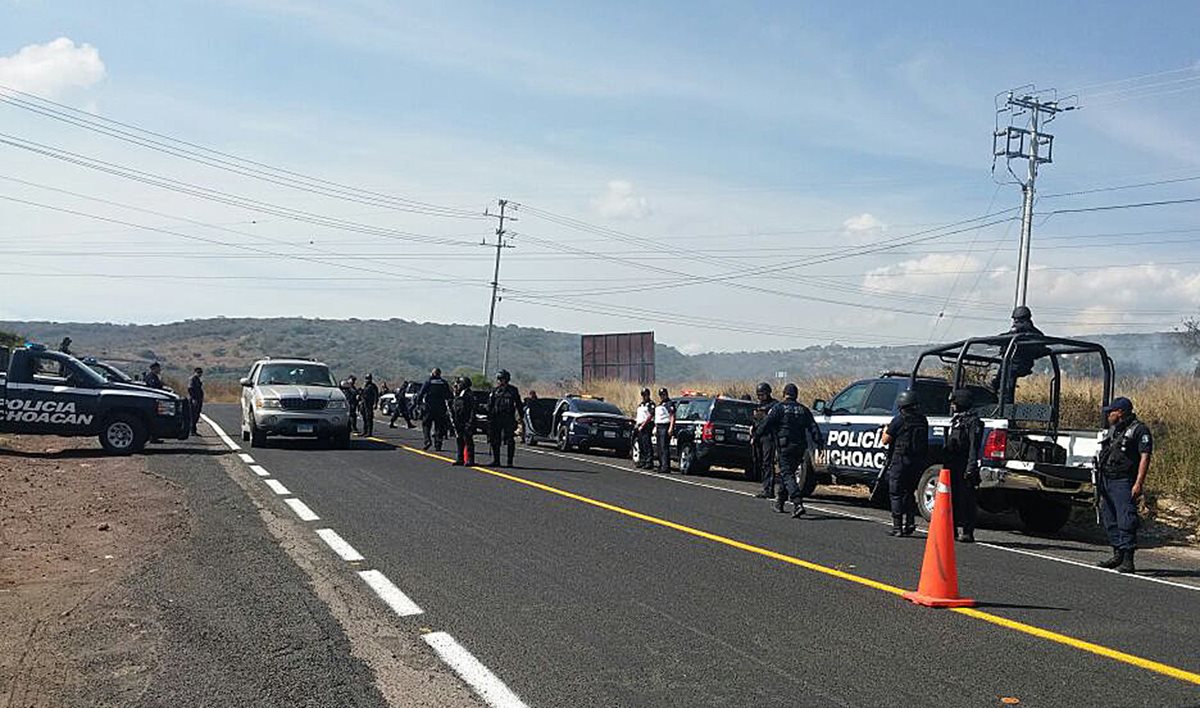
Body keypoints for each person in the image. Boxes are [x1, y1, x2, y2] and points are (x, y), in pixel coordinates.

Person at [1095, 397, 1152, 574]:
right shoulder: (1115, 430)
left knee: (1126, 519)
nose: (1108, 415)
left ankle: (1128, 560)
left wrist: (1138, 483)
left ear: (1120, 412)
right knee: (1109, 518)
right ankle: (1117, 554)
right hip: (1107, 479)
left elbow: (1145, 456)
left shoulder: (1139, 430)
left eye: (1111, 412)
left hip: (1124, 481)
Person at [754, 383, 816, 518]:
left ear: (784, 394)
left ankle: (797, 502)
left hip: (785, 447)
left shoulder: (779, 408)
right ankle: (780, 502)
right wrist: (819, 444)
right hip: (800, 448)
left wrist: (756, 435)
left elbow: (766, 423)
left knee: (787, 474)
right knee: (787, 473)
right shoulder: (803, 409)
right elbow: (813, 427)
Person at [880, 389, 929, 537]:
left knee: (896, 493)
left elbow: (885, 440)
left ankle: (897, 527)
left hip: (900, 460)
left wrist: (885, 430)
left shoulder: (899, 420)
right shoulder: (922, 420)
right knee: (909, 493)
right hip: (917, 461)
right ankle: (910, 523)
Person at [945, 388, 983, 543]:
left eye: (955, 402)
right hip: (953, 466)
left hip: (965, 466)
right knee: (951, 499)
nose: (953, 406)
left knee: (966, 500)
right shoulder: (957, 420)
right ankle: (951, 529)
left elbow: (974, 448)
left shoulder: (973, 422)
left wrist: (970, 468)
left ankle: (967, 532)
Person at [487, 369, 524, 467]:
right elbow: (490, 405)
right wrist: (489, 417)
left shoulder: (513, 390)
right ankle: (496, 460)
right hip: (496, 418)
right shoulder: (494, 391)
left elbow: (519, 404)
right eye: (498, 379)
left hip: (508, 418)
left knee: (510, 440)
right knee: (495, 440)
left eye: (501, 379)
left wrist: (521, 417)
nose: (499, 381)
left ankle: (509, 461)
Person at [750, 382, 778, 499]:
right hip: (758, 437)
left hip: (769, 437)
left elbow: (770, 422)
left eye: (762, 395)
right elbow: (755, 421)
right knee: (760, 462)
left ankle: (769, 489)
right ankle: (765, 487)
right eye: (759, 395)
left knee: (768, 463)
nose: (760, 397)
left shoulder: (774, 406)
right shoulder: (758, 406)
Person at [415, 368, 452, 451]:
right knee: (439, 426)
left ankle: (427, 441)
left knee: (426, 425)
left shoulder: (428, 382)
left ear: (432, 374)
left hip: (429, 407)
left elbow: (421, 394)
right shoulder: (444, 383)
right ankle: (438, 444)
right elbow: (449, 395)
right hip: (441, 407)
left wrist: (418, 404)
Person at [450, 377, 476, 466]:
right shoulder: (458, 394)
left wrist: (470, 422)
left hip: (466, 420)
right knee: (459, 440)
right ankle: (460, 459)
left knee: (468, 440)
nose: (457, 385)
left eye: (459, 383)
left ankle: (470, 460)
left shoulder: (468, 395)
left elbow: (472, 409)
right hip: (459, 421)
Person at [653, 388, 675, 473]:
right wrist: (655, 427)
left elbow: (672, 416)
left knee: (664, 447)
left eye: (664, 394)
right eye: (661, 395)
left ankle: (665, 466)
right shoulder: (661, 404)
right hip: (659, 426)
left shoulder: (669, 403)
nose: (662, 396)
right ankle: (661, 465)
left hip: (665, 426)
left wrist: (671, 428)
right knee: (659, 447)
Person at [632, 388, 655, 469]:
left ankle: (649, 461)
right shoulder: (641, 405)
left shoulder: (650, 404)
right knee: (641, 444)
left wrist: (644, 424)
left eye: (645, 395)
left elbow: (651, 415)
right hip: (639, 425)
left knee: (647, 444)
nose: (644, 396)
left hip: (647, 426)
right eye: (643, 395)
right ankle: (642, 460)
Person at [187, 367, 205, 436]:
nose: (199, 374)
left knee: (197, 415)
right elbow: (190, 389)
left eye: (200, 372)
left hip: (198, 399)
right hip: (194, 399)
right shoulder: (193, 379)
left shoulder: (197, 379)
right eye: (198, 372)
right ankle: (192, 430)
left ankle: (194, 430)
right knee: (193, 415)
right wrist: (194, 398)